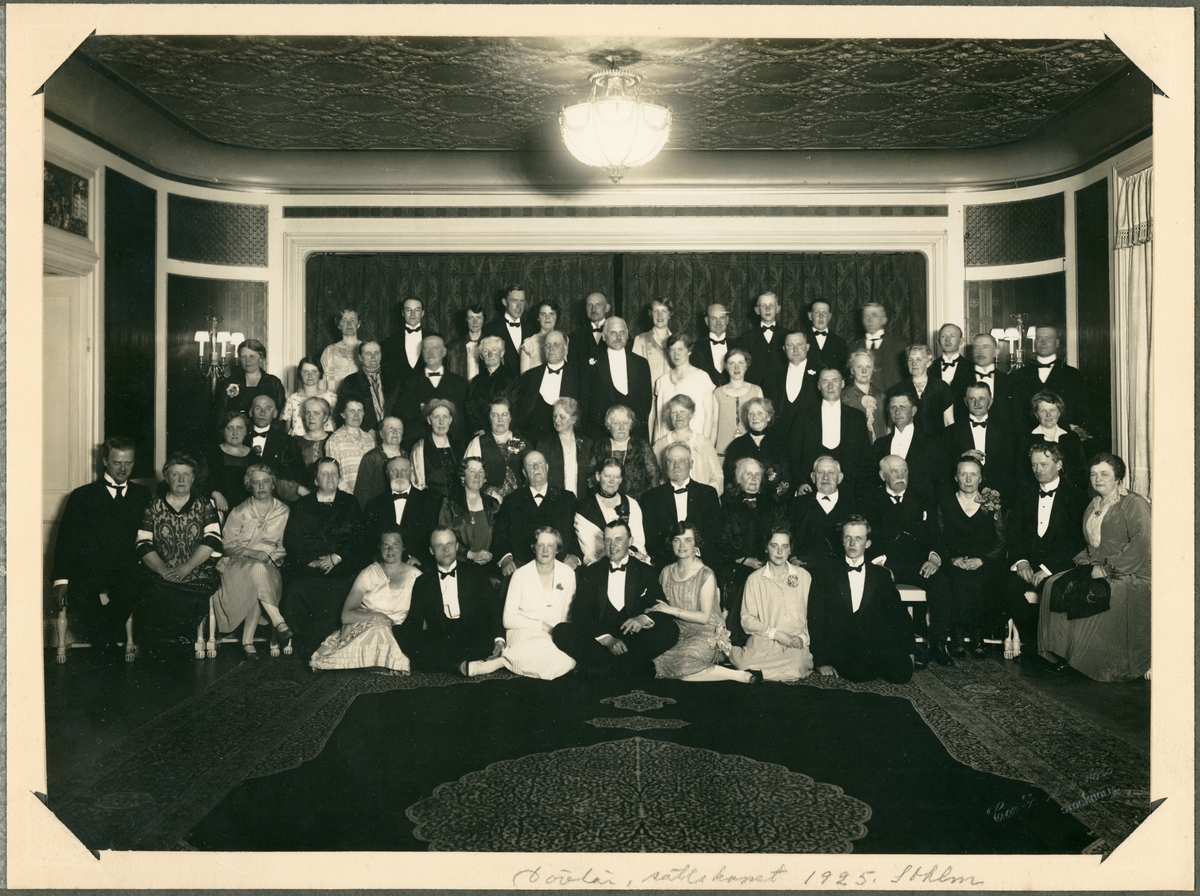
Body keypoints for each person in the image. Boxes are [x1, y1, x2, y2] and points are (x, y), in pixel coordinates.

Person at [1038, 453, 1150, 682]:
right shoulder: (1093, 504)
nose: (1098, 479)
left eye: (1104, 474)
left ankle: (1088, 662)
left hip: (1131, 572)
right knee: (1053, 584)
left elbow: (1142, 543)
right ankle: (1060, 655)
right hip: (1096, 566)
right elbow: (1089, 546)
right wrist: (1085, 562)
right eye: (1093, 474)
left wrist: (1108, 570)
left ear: (1118, 477)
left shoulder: (1133, 502)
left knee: (1095, 592)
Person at [50, 436, 151, 662]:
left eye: (128, 463)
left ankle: (103, 644)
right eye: (117, 463)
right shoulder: (82, 495)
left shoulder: (142, 494)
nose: (123, 469)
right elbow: (66, 541)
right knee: (80, 592)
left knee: (135, 587)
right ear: (105, 461)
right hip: (91, 569)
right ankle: (108, 645)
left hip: (127, 568)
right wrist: (61, 580)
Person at [552, 520, 680, 676]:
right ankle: (630, 667)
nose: (612, 545)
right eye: (607, 540)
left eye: (618, 539)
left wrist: (643, 619)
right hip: (601, 639)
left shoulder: (645, 570)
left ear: (630, 541)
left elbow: (662, 607)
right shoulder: (592, 572)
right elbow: (579, 614)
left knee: (671, 629)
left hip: (634, 639)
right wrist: (608, 640)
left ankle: (606, 668)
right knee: (561, 631)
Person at [1000, 443, 1087, 662]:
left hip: (1058, 566)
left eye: (1044, 464)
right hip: (1028, 564)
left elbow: (1076, 542)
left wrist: (1048, 569)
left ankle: (1050, 651)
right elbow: (1014, 532)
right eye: (1034, 465)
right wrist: (1021, 562)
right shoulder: (1024, 494)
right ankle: (1033, 644)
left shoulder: (1076, 496)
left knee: (1053, 589)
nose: (1038, 470)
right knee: (1006, 586)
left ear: (1059, 465)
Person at [281, 457, 370, 659]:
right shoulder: (302, 504)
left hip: (341, 562)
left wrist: (336, 557)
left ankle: (338, 643)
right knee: (297, 587)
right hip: (309, 563)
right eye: (324, 473)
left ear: (339, 477)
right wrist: (309, 561)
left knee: (343, 586)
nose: (330, 478)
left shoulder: (350, 502)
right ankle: (308, 645)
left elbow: (359, 537)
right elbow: (292, 539)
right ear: (315, 480)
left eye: (334, 473)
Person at [134, 453, 223, 655]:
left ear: (193, 477)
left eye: (186, 474)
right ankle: (160, 647)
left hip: (197, 570)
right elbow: (143, 543)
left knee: (191, 596)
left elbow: (212, 539)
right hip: (161, 570)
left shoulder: (204, 504)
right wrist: (163, 570)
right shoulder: (153, 506)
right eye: (175, 474)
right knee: (153, 592)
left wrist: (186, 567)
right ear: (167, 477)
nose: (181, 479)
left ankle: (183, 640)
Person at [808, 516, 915, 683]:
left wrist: (909, 651)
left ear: (868, 543)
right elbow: (816, 618)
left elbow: (899, 615)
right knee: (860, 675)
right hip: (840, 644)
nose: (852, 543)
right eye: (848, 537)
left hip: (872, 642)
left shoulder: (881, 574)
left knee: (902, 673)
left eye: (858, 538)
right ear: (842, 540)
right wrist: (821, 661)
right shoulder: (826, 571)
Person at [649, 523, 758, 683]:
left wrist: (670, 610)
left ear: (696, 545)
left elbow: (704, 618)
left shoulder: (705, 574)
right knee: (656, 661)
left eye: (688, 540)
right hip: (678, 632)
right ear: (671, 543)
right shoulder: (666, 572)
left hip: (706, 632)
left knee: (683, 664)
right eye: (677, 540)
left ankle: (737, 675)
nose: (682, 545)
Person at [861, 455, 940, 666]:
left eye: (904, 471)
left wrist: (933, 559)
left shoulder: (922, 498)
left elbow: (936, 534)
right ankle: (899, 646)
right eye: (894, 471)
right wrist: (880, 564)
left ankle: (938, 646)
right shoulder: (869, 500)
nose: (900, 475)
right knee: (880, 585)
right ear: (882, 475)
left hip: (918, 564)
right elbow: (865, 537)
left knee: (942, 583)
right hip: (886, 564)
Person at [309, 527, 421, 674]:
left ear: (404, 547)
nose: (390, 550)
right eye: (385, 545)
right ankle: (375, 662)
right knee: (380, 628)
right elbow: (346, 616)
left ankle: (374, 662)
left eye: (395, 544)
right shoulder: (368, 573)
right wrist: (378, 616)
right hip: (368, 628)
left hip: (399, 632)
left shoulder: (416, 575)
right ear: (379, 547)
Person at [469, 528, 577, 680]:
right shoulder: (520, 574)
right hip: (522, 630)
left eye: (550, 545)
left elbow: (567, 614)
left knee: (566, 661)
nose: (545, 550)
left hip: (553, 632)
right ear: (533, 547)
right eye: (540, 545)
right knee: (540, 653)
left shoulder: (568, 573)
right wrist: (541, 626)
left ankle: (502, 661)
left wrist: (559, 635)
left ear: (558, 549)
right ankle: (511, 659)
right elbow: (508, 620)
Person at [211, 464, 292, 659]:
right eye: (256, 482)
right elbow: (226, 544)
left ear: (273, 484)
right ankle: (278, 622)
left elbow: (288, 544)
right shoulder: (240, 511)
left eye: (266, 481)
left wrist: (270, 558)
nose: (261, 486)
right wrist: (250, 552)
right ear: (249, 485)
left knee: (259, 573)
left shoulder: (284, 511)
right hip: (236, 566)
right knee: (257, 570)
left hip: (271, 566)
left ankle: (247, 642)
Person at [929, 456, 1005, 662]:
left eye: (973, 474)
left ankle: (978, 637)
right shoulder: (945, 503)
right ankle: (957, 638)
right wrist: (952, 559)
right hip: (954, 561)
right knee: (956, 580)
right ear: (956, 477)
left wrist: (983, 560)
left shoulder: (992, 505)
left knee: (981, 580)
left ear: (981, 478)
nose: (968, 479)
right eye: (963, 474)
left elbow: (1001, 540)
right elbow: (937, 538)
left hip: (984, 562)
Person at [402, 528, 505, 676]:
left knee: (484, 642)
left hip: (472, 636)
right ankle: (463, 665)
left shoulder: (476, 573)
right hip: (441, 638)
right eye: (439, 545)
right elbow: (414, 621)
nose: (445, 550)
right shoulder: (423, 581)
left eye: (449, 544)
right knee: (401, 632)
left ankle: (450, 664)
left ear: (457, 546)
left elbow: (493, 609)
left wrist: (499, 640)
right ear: (431, 550)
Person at [716, 458, 785, 647]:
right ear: (739, 479)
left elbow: (780, 534)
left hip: (769, 564)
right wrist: (745, 560)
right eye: (748, 474)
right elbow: (722, 543)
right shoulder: (728, 506)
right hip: (739, 566)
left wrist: (769, 561)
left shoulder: (772, 505)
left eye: (757, 475)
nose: (753, 479)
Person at [730, 527, 814, 681]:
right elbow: (747, 620)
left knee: (795, 669)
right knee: (744, 663)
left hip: (793, 641)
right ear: (766, 548)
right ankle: (734, 654)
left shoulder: (804, 576)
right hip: (765, 639)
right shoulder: (754, 579)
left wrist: (802, 638)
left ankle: (756, 674)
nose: (780, 551)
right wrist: (776, 634)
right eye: (774, 546)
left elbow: (813, 616)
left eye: (785, 546)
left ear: (790, 550)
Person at [492, 452, 582, 575]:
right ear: (524, 472)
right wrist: (505, 558)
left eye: (540, 463)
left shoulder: (567, 498)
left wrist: (574, 555)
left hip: (561, 567)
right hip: (521, 569)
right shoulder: (511, 500)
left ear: (547, 467)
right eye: (530, 465)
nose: (536, 467)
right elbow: (500, 534)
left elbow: (578, 533)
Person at [797, 368, 875, 504]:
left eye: (835, 381)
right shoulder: (804, 416)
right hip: (811, 491)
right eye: (825, 381)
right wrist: (800, 482)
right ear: (818, 386)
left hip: (850, 493)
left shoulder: (857, 417)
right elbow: (794, 454)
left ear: (842, 384)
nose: (830, 386)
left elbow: (865, 457)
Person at [640, 443, 723, 569]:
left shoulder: (708, 493)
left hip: (702, 563)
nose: (676, 465)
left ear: (691, 464)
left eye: (681, 461)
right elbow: (650, 538)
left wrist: (695, 555)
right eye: (671, 461)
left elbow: (715, 532)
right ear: (665, 465)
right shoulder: (650, 497)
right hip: (665, 565)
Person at [1009, 325, 1096, 437]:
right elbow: (1014, 412)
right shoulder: (1019, 375)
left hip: (1063, 438)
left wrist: (1077, 428)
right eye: (1039, 338)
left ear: (1057, 343)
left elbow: (1083, 409)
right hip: (1027, 439)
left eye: (1048, 338)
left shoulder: (1073, 375)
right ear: (1035, 342)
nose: (1043, 342)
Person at [943, 382, 1018, 502]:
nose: (977, 404)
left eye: (981, 399)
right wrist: (961, 457)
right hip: (962, 498)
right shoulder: (950, 432)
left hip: (1000, 496)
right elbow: (941, 466)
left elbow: (1013, 467)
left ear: (990, 401)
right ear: (965, 401)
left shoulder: (1007, 432)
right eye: (972, 399)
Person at [363, 454, 441, 567]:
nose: (399, 475)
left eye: (404, 470)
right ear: (387, 474)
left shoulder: (429, 501)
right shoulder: (374, 504)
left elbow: (434, 539)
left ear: (411, 472)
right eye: (394, 471)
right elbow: (369, 541)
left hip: (418, 565)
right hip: (384, 566)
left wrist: (420, 560)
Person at [392, 335, 468, 448]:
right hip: (419, 444)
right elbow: (401, 413)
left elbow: (464, 418)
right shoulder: (410, 382)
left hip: (454, 445)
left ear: (444, 352)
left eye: (435, 347)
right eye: (426, 348)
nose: (430, 352)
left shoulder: (460, 382)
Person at [872, 391, 948, 505]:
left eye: (902, 407)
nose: (897, 412)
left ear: (913, 411)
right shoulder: (880, 444)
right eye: (893, 408)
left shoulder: (932, 443)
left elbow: (942, 483)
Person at [585, 316, 654, 440]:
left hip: (635, 434)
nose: (618, 337)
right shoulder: (593, 364)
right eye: (613, 333)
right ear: (604, 336)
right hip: (602, 434)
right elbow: (587, 402)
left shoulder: (641, 363)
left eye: (622, 332)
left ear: (627, 334)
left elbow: (646, 401)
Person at [574, 458, 649, 565]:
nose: (612, 481)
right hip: (600, 565)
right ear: (598, 476)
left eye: (616, 477)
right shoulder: (585, 507)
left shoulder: (631, 504)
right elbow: (591, 549)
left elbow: (638, 541)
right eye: (607, 476)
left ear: (621, 479)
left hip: (631, 563)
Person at [516, 330, 586, 445]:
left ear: (565, 349)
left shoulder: (578, 375)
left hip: (565, 442)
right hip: (532, 441)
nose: (551, 348)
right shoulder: (531, 375)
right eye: (547, 345)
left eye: (556, 344)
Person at [789, 456, 858, 567]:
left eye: (831, 473)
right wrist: (792, 558)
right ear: (813, 477)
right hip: (805, 567)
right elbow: (787, 535)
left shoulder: (853, 505)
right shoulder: (798, 504)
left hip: (842, 568)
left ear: (840, 478)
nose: (825, 477)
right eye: (820, 472)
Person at [721, 396, 792, 502]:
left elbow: (787, 478)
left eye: (760, 413)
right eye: (751, 414)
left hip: (774, 505)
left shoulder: (780, 443)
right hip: (743, 504)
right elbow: (729, 480)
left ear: (768, 417)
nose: (755, 417)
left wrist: (772, 501)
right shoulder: (736, 445)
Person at [583, 405, 660, 501]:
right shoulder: (599, 446)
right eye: (616, 423)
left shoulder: (641, 445)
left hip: (638, 502)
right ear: (608, 426)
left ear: (630, 425)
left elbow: (654, 478)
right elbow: (591, 477)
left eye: (625, 423)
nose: (621, 427)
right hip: (605, 502)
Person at [651, 394, 723, 494]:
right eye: (674, 412)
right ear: (669, 415)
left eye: (683, 412)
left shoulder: (704, 443)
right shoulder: (660, 445)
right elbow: (653, 479)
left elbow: (717, 476)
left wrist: (705, 496)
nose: (678, 416)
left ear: (691, 414)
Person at [214, 338, 286, 435]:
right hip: (236, 435)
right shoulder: (230, 381)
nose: (247, 361)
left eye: (252, 357)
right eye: (243, 357)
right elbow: (221, 412)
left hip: (265, 434)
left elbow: (280, 414)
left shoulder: (273, 383)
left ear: (261, 358)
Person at [1016, 390, 1086, 489]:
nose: (1048, 415)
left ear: (1059, 412)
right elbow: (1021, 473)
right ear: (1036, 414)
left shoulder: (1072, 438)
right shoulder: (1026, 439)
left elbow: (1081, 469)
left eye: (1052, 410)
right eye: (1043, 411)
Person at [762, 331, 821, 446]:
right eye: (790, 345)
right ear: (784, 349)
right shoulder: (773, 377)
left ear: (807, 347)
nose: (795, 349)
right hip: (779, 441)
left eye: (800, 344)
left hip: (810, 440)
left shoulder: (820, 374)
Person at [437, 456, 499, 567]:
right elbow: (445, 538)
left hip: (490, 565)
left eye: (481, 472)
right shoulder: (450, 503)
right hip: (461, 565)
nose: (477, 476)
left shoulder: (493, 504)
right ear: (463, 477)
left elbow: (501, 536)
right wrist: (472, 555)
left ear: (485, 478)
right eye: (472, 471)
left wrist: (490, 555)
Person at [464, 397, 527, 502]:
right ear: (489, 418)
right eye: (495, 415)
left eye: (504, 414)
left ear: (510, 418)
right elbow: (468, 477)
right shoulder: (478, 443)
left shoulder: (522, 442)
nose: (500, 419)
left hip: (519, 503)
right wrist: (489, 492)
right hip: (488, 503)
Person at [245, 395, 306, 502]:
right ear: (250, 412)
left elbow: (294, 475)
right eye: (258, 408)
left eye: (268, 408)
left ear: (275, 413)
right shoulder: (241, 437)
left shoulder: (287, 441)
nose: (262, 413)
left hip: (277, 499)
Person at [890, 344, 954, 436]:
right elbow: (892, 424)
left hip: (936, 442)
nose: (914, 363)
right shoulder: (898, 389)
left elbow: (949, 422)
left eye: (918, 360)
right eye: (910, 360)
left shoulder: (941, 387)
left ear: (928, 363)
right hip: (908, 442)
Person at [536, 397, 593, 499]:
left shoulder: (587, 443)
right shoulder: (545, 443)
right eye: (554, 416)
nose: (556, 420)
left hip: (581, 501)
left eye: (562, 417)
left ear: (573, 419)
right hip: (555, 501)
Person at [712, 348, 763, 458]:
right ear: (726, 366)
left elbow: (761, 426)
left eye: (741, 363)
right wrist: (710, 453)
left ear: (746, 365)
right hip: (723, 455)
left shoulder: (756, 390)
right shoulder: (718, 393)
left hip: (750, 455)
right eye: (731, 363)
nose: (736, 367)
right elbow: (714, 426)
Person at [203, 411, 254, 518]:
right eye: (230, 428)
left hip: (248, 513)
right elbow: (200, 482)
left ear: (246, 431)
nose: (235, 433)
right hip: (219, 510)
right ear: (223, 431)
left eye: (240, 428)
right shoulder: (211, 454)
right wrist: (215, 494)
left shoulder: (254, 457)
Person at [409, 399, 464, 499]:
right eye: (436, 417)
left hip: (459, 501)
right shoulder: (420, 447)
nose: (441, 422)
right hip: (431, 502)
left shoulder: (459, 445)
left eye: (445, 417)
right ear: (429, 420)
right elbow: (417, 484)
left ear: (450, 420)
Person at [465, 335, 517, 437]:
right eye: (485, 351)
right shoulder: (475, 381)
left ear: (501, 353)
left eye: (494, 350)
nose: (490, 354)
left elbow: (515, 410)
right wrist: (479, 430)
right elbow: (468, 410)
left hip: (504, 434)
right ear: (481, 356)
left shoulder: (513, 379)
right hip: (480, 435)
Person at [325, 399, 378, 495]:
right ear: (343, 414)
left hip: (370, 496)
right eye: (351, 411)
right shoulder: (334, 440)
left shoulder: (369, 438)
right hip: (347, 497)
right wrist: (351, 497)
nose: (356, 415)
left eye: (360, 410)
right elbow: (333, 474)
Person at [736, 290, 789, 387]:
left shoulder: (788, 335)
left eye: (771, 305)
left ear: (778, 308)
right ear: (757, 310)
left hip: (782, 389)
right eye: (763, 306)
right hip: (755, 388)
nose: (768, 309)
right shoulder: (746, 337)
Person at [337, 341, 391, 435]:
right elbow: (344, 412)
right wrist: (368, 431)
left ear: (381, 355)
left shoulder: (393, 379)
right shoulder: (351, 381)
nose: (373, 357)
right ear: (360, 357)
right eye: (368, 353)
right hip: (364, 434)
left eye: (376, 353)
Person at [848, 303, 904, 391]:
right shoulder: (853, 347)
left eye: (874, 315)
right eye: (866, 316)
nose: (870, 319)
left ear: (884, 320)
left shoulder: (899, 346)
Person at [380, 297, 433, 391]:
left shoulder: (435, 339)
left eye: (417, 310)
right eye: (408, 310)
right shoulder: (390, 342)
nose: (412, 314)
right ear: (403, 313)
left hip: (428, 394)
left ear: (422, 313)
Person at [353, 416, 405, 509]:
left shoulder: (408, 457)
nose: (395, 432)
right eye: (390, 428)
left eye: (399, 428)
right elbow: (361, 494)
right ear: (381, 434)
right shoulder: (371, 458)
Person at [280, 356, 338, 436]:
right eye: (305, 372)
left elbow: (337, 425)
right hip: (298, 441)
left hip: (325, 440)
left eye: (314, 371)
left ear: (320, 373)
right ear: (300, 374)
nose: (310, 375)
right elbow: (285, 430)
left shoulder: (331, 398)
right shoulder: (293, 399)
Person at [482, 284, 534, 371]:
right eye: (514, 301)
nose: (519, 306)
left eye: (522, 301)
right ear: (504, 302)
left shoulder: (532, 329)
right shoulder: (490, 329)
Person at [842, 349, 888, 443]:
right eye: (859, 367)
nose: (864, 371)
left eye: (868, 367)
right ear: (852, 370)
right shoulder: (843, 397)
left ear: (873, 370)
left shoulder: (882, 397)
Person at [969, 333, 1017, 424]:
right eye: (976, 347)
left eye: (985, 347)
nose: (980, 351)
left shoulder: (1009, 381)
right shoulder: (960, 380)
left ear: (996, 351)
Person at [318, 308, 362, 394]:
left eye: (353, 320)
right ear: (339, 326)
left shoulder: (367, 349)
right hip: (336, 399)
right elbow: (322, 381)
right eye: (344, 321)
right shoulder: (329, 351)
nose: (349, 324)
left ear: (358, 324)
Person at [933, 323, 975, 412]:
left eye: (952, 336)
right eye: (943, 336)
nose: (947, 340)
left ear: (961, 341)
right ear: (938, 341)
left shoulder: (972, 368)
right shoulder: (929, 368)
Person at [631, 297, 674, 385]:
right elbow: (634, 373)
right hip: (650, 391)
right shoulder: (640, 340)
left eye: (664, 311)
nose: (659, 315)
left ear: (670, 314)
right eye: (655, 311)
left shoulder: (677, 341)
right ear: (650, 314)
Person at [567, 290, 611, 372]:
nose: (593, 310)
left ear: (607, 308)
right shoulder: (575, 336)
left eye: (598, 305)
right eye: (589, 305)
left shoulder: (617, 333)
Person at [293, 396, 333, 480]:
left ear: (325, 417)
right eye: (307, 413)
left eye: (316, 413)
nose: (311, 417)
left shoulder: (334, 439)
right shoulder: (295, 441)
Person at [693, 303, 733, 387]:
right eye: (713, 319)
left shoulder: (738, 345)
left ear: (727, 320)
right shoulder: (696, 347)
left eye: (722, 318)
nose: (718, 323)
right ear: (707, 321)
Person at [805, 300, 848, 373]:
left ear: (829, 317)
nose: (821, 317)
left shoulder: (840, 342)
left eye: (824, 313)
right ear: (810, 316)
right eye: (817, 313)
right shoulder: (802, 340)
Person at [446, 303, 486, 382]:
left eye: (478, 318)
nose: (475, 322)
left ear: (483, 320)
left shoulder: (491, 344)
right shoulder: (454, 346)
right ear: (466, 320)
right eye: (471, 318)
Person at [518, 299, 560, 373]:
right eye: (543, 314)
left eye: (551, 314)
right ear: (538, 317)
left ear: (556, 317)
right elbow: (524, 376)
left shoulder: (564, 340)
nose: (547, 317)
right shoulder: (528, 344)